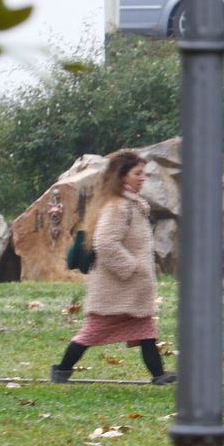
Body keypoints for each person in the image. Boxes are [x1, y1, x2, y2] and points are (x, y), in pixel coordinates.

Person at [49, 150, 176, 386]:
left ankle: (159, 375)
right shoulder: (119, 206)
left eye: (143, 173)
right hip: (116, 287)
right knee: (92, 332)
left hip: (129, 287)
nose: (142, 178)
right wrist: (132, 267)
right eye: (137, 173)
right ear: (122, 176)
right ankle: (61, 370)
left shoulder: (131, 204)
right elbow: (105, 243)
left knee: (146, 331)